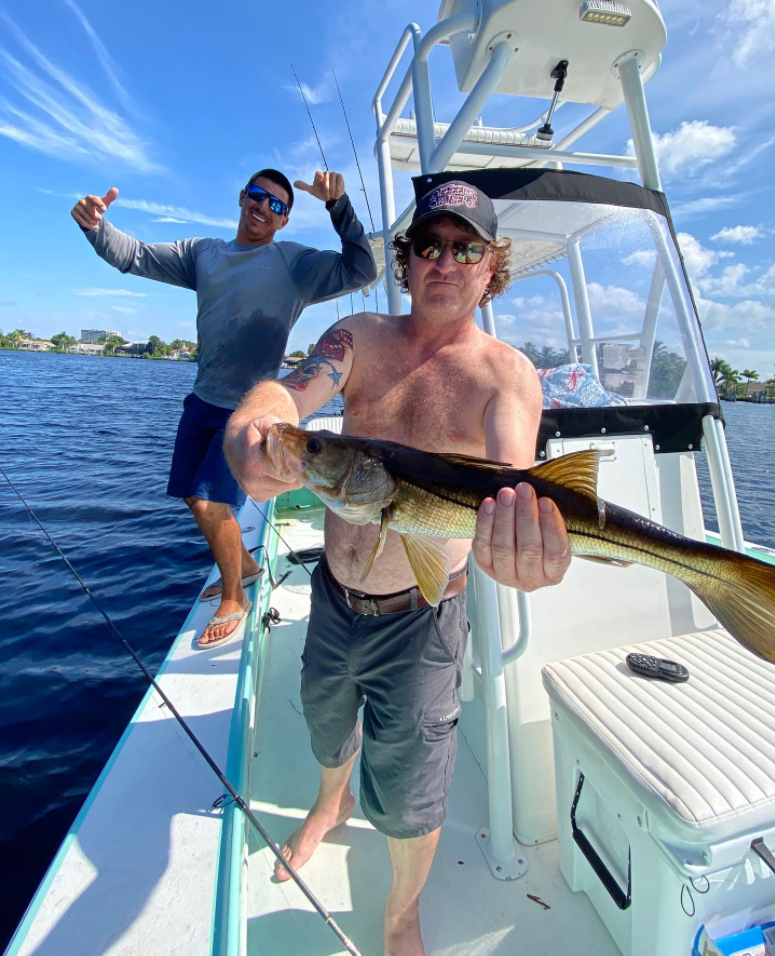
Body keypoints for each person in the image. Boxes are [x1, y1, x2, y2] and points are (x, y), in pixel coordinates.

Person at [224, 181, 571, 956]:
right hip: (334, 597)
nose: (445, 260)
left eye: (466, 247)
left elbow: (511, 478)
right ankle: (328, 802)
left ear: (491, 269)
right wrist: (260, 416)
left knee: (412, 789)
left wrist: (519, 548)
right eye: (429, 246)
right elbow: (297, 387)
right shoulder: (358, 337)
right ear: (406, 263)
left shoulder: (507, 375)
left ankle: (400, 913)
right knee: (323, 720)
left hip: (425, 620)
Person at [71, 169, 377, 647]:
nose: (264, 208)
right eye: (259, 197)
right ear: (242, 197)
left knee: (211, 501)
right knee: (195, 499)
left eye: (277, 205)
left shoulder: (294, 263)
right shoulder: (202, 253)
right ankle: (249, 567)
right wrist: (95, 227)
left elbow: (362, 270)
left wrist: (339, 206)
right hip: (201, 400)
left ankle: (236, 595)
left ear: (285, 219)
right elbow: (134, 257)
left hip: (247, 412)